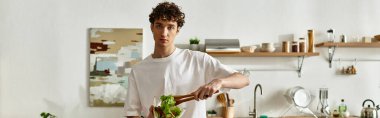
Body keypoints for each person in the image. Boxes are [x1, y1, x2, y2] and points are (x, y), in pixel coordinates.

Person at [124, 2, 250, 118]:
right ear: (152, 27)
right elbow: (131, 113)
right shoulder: (138, 71)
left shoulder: (198, 60)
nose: (164, 33)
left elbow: (244, 79)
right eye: (159, 26)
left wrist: (218, 82)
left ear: (177, 30)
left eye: (170, 27)